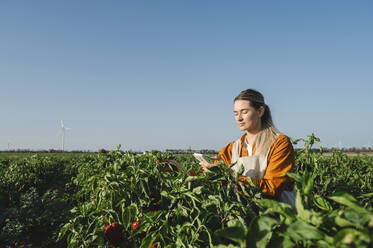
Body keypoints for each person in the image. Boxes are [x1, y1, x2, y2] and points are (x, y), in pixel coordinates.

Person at [199, 89, 296, 208]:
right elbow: (208, 177)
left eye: (244, 112)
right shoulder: (232, 148)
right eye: (235, 113)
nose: (239, 118)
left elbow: (273, 188)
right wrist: (180, 170)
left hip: (276, 216)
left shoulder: (279, 143)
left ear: (260, 111)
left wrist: (229, 174)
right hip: (245, 215)